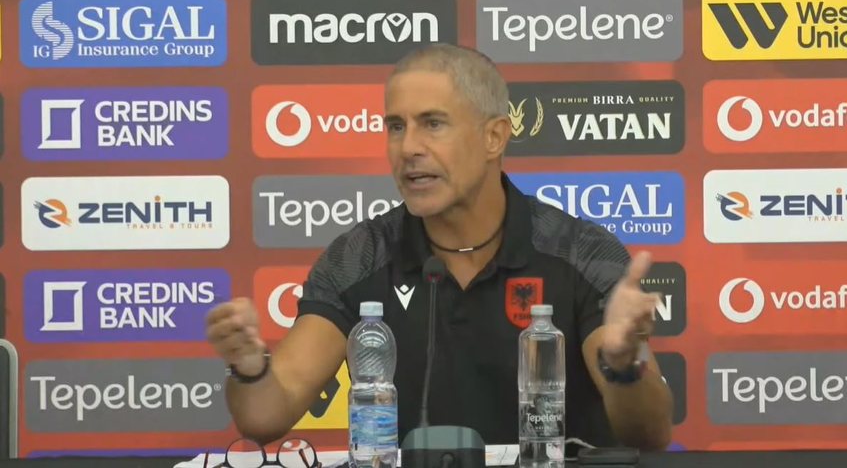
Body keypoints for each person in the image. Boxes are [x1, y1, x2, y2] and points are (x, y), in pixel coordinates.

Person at [206, 43, 673, 451]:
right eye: (395, 126)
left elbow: (650, 434)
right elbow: (266, 416)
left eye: (432, 124)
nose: (408, 147)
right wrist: (249, 369)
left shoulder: (580, 252)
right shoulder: (361, 256)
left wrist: (623, 366)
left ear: (494, 137)